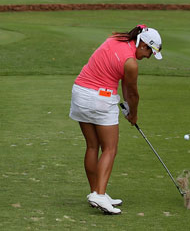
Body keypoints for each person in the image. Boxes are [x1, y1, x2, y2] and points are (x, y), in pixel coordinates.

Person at [69, 25, 163, 215]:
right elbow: (132, 94)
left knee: (92, 147)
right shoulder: (131, 63)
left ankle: (96, 192)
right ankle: (100, 195)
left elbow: (125, 88)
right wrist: (133, 114)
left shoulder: (115, 39)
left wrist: (128, 108)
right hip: (101, 100)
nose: (148, 57)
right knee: (110, 148)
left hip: (79, 92)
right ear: (143, 44)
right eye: (149, 52)